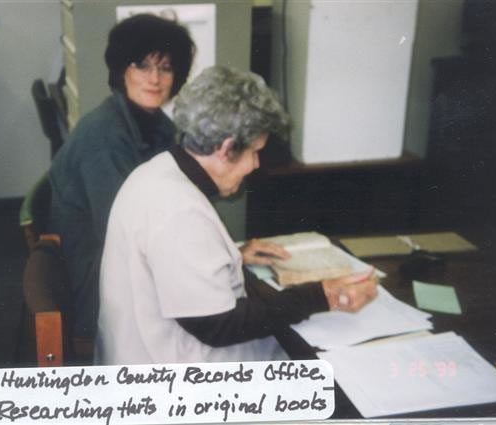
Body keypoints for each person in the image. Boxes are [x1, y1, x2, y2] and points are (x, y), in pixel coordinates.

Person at [97, 66, 379, 365]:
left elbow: (172, 264)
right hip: (174, 378)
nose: (255, 164)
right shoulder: (180, 211)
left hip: (139, 357)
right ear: (226, 148)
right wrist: (322, 296)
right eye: (254, 151)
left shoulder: (156, 171)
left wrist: (232, 256)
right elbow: (219, 326)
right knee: (330, 367)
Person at [48, 14, 195, 360]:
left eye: (166, 68)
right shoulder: (106, 137)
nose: (155, 79)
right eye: (142, 66)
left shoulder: (155, 125)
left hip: (120, 266)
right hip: (98, 283)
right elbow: (126, 235)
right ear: (121, 70)